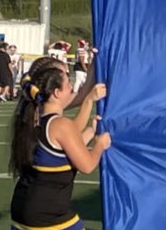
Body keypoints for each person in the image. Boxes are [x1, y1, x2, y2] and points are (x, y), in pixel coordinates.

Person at [9, 61, 110, 230]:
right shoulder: (60, 124)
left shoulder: (34, 118)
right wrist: (100, 144)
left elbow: (66, 149)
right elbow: (87, 165)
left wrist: (91, 131)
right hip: (47, 215)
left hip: (22, 210)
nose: (72, 87)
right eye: (68, 83)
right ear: (56, 92)